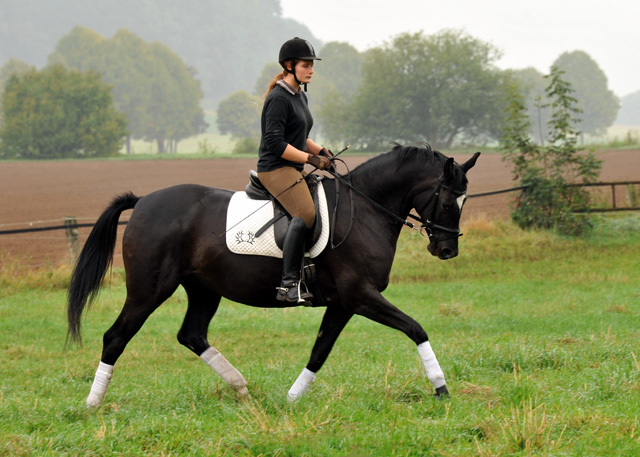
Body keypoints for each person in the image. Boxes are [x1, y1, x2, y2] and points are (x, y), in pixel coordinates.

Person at [257, 37, 333, 305]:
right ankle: (288, 285)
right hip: (275, 168)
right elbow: (276, 144)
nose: (311, 69)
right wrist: (311, 159)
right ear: (289, 66)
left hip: (293, 165)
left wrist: (321, 151)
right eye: (306, 65)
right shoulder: (278, 98)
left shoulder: (299, 95)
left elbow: (299, 135)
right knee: (305, 212)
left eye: (312, 65)